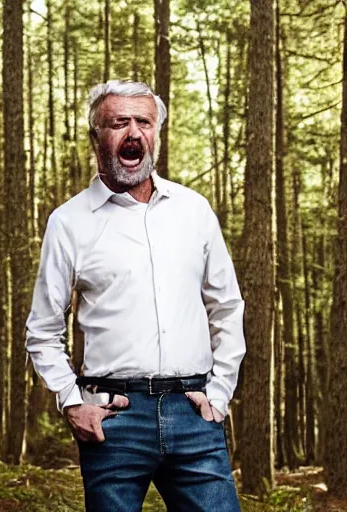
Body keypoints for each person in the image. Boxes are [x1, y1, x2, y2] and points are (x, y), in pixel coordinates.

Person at [25, 80, 246, 511]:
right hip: (114, 419)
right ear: (97, 137)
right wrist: (72, 403)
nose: (133, 132)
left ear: (156, 135)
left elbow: (227, 307)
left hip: (194, 413)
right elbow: (43, 329)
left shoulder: (193, 210)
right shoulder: (69, 222)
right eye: (118, 122)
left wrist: (219, 395)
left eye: (143, 122)